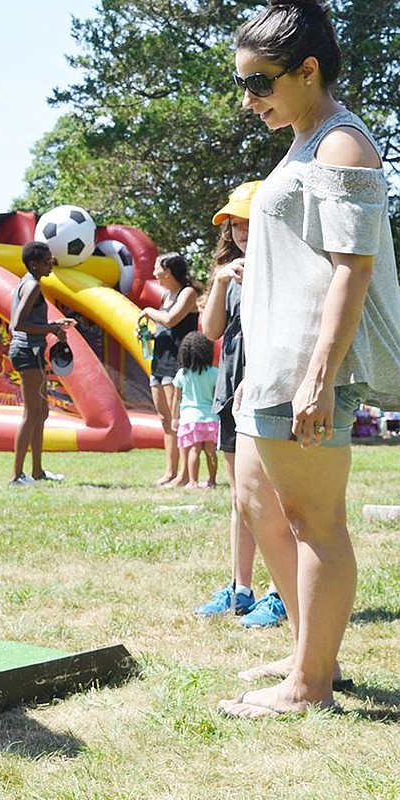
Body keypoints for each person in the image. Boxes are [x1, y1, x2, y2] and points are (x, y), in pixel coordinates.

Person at [219, 0, 400, 718]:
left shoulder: (342, 148)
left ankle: (311, 684)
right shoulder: (303, 143)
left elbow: (352, 269)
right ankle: (310, 649)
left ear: (308, 71)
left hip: (307, 363)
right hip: (269, 362)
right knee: (254, 503)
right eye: (244, 84)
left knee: (314, 521)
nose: (250, 100)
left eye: (260, 83)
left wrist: (319, 375)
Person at [194, 183, 287, 629]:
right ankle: (240, 588)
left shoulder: (284, 266)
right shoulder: (230, 274)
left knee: (276, 495)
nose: (241, 230)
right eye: (234, 223)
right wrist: (219, 281)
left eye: (248, 220)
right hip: (231, 389)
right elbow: (209, 330)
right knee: (241, 497)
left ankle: (280, 592)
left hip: (270, 387)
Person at [8, 241, 76, 487]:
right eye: (47, 261)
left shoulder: (25, 282)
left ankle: (37, 471)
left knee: (42, 412)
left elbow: (29, 319)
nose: (51, 264)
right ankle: (17, 475)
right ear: (34, 263)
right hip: (28, 350)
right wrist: (51, 329)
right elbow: (19, 323)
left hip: (31, 350)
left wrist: (55, 324)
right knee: (31, 413)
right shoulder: (33, 285)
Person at [141, 252, 200, 486]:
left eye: (157, 268)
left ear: (169, 270)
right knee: (166, 421)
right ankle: (170, 472)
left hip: (178, 363)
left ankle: (185, 475)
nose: (154, 273)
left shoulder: (188, 293)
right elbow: (163, 327)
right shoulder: (166, 295)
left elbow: (171, 320)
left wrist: (147, 311)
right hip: (159, 360)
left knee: (179, 419)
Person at [171, 331, 220, 489]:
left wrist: (174, 417)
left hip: (190, 418)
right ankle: (212, 481)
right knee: (211, 452)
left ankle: (193, 481)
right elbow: (217, 396)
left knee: (194, 450)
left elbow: (176, 398)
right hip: (211, 417)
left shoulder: (183, 374)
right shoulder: (214, 373)